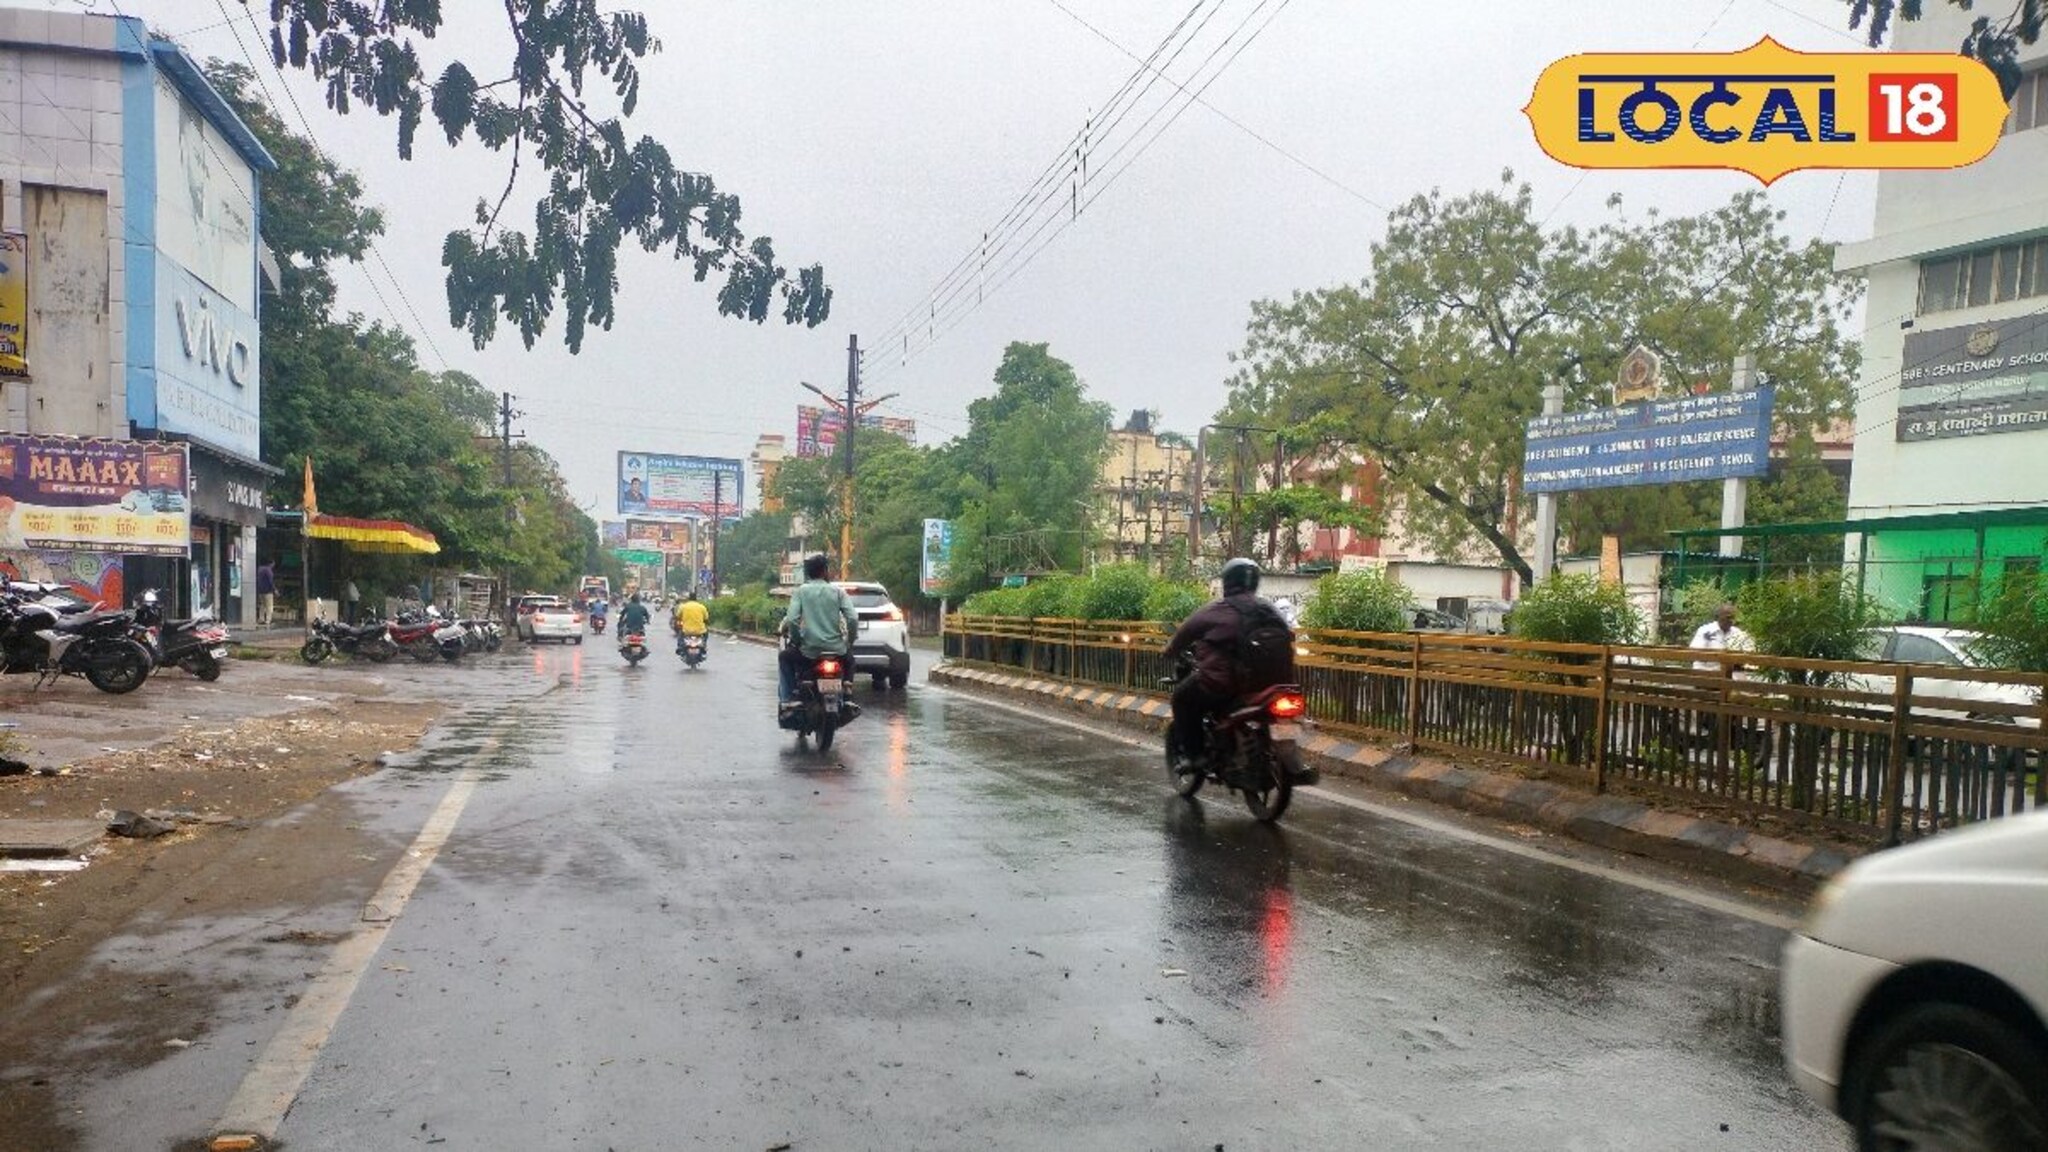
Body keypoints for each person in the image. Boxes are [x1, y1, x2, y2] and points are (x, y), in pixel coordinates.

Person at [1162, 558, 1293, 780]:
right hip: (1271, 685)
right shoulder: (1269, 609)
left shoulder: (1216, 610)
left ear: (1228, 582)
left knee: (1181, 699)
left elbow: (1183, 635)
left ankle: (1195, 756)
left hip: (1223, 684)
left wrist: (1169, 651)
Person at [779, 554, 856, 711]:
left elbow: (792, 619)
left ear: (808, 573)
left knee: (784, 657)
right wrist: (849, 641)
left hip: (809, 651)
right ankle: (847, 691)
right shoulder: (838, 592)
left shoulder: (801, 592)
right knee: (850, 659)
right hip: (836, 650)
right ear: (825, 571)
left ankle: (789, 697)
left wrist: (798, 640)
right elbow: (853, 618)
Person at [1689, 601, 1753, 673]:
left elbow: (1749, 653)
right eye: (1728, 617)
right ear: (1718, 617)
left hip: (1732, 673)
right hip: (1706, 671)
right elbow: (1695, 652)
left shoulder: (1738, 633)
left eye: (1733, 618)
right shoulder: (1705, 630)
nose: (1732, 621)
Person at [673, 589, 710, 657]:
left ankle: (680, 648)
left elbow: (677, 616)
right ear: (696, 599)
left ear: (689, 598)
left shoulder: (683, 607)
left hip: (687, 631)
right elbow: (706, 619)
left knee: (680, 636)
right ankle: (704, 645)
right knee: (706, 634)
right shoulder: (702, 607)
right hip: (700, 631)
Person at [255, 561, 276, 627]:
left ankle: (261, 619)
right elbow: (271, 581)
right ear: (271, 563)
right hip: (268, 591)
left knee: (262, 605)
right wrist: (274, 589)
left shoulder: (259, 569)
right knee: (269, 606)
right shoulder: (269, 570)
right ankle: (268, 620)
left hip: (260, 591)